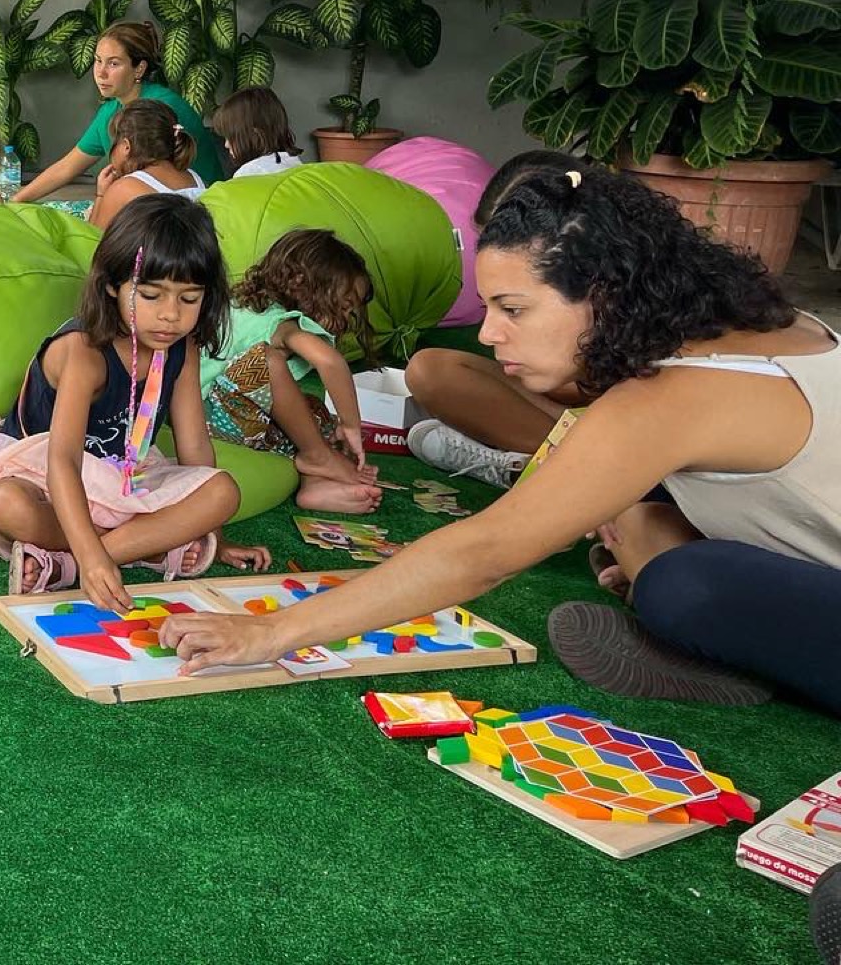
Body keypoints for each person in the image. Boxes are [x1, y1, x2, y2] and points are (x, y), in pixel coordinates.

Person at [158, 167, 841, 716]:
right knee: (642, 516)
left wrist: (269, 631)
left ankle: (715, 640)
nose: (486, 331)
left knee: (678, 582)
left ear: (606, 292)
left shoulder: (667, 401)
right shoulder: (758, 327)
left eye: (512, 309)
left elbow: (483, 552)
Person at [0, 195, 272, 609]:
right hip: (42, 474)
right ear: (113, 284)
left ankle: (69, 566)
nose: (171, 315)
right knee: (6, 504)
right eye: (151, 295)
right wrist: (97, 557)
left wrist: (215, 534)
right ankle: (138, 549)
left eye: (188, 299)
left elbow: (195, 447)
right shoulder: (84, 352)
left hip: (125, 475)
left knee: (222, 491)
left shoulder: (183, 347)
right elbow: (62, 463)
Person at [403, 149, 591, 482]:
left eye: (513, 309)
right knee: (428, 369)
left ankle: (561, 466)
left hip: (624, 428)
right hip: (577, 417)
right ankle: (547, 459)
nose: (486, 334)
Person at [199, 229, 381, 514]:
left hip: (224, 412)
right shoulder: (282, 325)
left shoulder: (245, 306)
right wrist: (350, 425)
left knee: (312, 410)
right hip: (207, 416)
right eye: (344, 307)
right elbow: (330, 361)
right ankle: (318, 457)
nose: (346, 319)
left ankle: (315, 483)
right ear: (301, 285)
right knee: (268, 363)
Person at [12, 22, 224, 203]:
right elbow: (67, 167)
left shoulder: (160, 109)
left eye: (113, 63)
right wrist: (15, 201)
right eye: (98, 60)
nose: (101, 73)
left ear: (139, 69)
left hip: (196, 211)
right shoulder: (111, 110)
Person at [87, 100, 203, 229]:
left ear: (126, 146)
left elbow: (91, 240)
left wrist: (101, 195)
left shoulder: (124, 188)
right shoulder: (195, 178)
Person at [213, 86, 304, 178]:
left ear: (256, 135)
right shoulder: (295, 163)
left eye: (231, 137)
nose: (226, 145)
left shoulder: (248, 174)